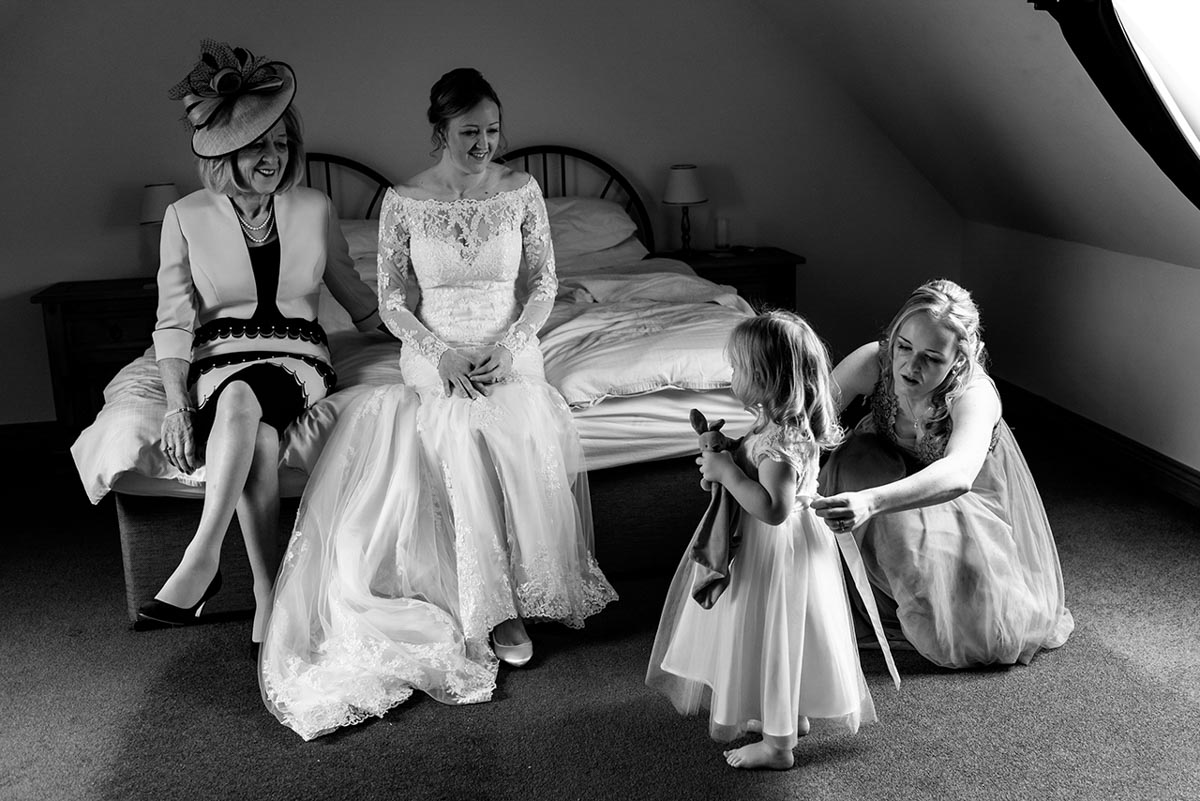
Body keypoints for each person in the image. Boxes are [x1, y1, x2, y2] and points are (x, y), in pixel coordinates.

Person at [259, 68, 617, 741]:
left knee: (512, 419)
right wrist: (441, 353)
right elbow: (391, 298)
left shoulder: (522, 191)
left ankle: (517, 587)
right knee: (457, 430)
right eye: (469, 132)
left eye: (492, 130)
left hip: (509, 345)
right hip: (435, 347)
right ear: (439, 133)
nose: (485, 143)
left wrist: (512, 347)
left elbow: (544, 284)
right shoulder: (402, 201)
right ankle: (493, 608)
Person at [138, 41, 382, 646]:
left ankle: (203, 555)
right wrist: (174, 403)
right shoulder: (185, 216)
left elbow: (361, 300)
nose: (273, 157)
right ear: (226, 154)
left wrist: (435, 329)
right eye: (257, 147)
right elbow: (172, 322)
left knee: (245, 399)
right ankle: (268, 595)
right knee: (259, 435)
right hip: (218, 360)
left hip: (298, 360)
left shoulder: (315, 207)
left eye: (281, 144)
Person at [646, 311, 881, 771]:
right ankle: (786, 714)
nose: (733, 377)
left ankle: (778, 747)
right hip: (787, 549)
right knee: (785, 632)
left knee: (774, 629)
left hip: (776, 550)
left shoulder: (779, 444)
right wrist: (731, 452)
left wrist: (728, 472)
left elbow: (773, 509)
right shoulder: (775, 427)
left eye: (740, 369)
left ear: (768, 378)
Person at [813, 279, 1074, 668]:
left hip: (961, 497)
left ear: (959, 360)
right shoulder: (876, 360)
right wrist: (744, 456)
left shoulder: (975, 394)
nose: (909, 366)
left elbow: (957, 474)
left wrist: (870, 503)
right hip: (884, 466)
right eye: (903, 347)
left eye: (932, 358)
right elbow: (806, 420)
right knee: (854, 460)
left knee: (982, 629)